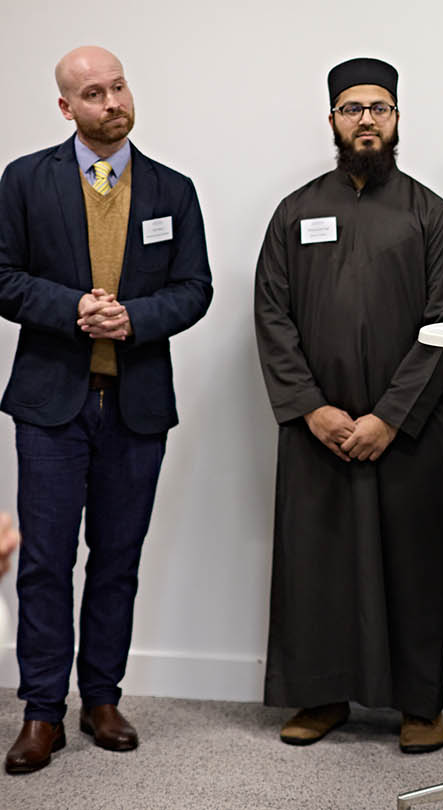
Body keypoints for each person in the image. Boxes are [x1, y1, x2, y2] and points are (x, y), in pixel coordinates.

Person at [0, 46, 213, 775]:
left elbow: (195, 288)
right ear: (67, 108)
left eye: (118, 87)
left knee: (118, 561)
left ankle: (101, 699)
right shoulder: (26, 180)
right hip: (51, 406)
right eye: (93, 93)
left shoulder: (172, 189)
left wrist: (136, 318)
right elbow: (2, 277)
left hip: (136, 404)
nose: (112, 101)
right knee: (46, 565)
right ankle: (38, 713)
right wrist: (74, 308)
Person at [253, 57, 443, 754]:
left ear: (398, 118)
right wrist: (312, 408)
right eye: (352, 109)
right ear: (333, 121)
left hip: (410, 428)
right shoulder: (296, 212)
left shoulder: (430, 214)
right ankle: (319, 698)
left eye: (379, 108)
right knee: (317, 564)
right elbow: (272, 316)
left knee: (414, 560)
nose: (366, 120)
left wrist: (390, 417)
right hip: (319, 429)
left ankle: (419, 705)